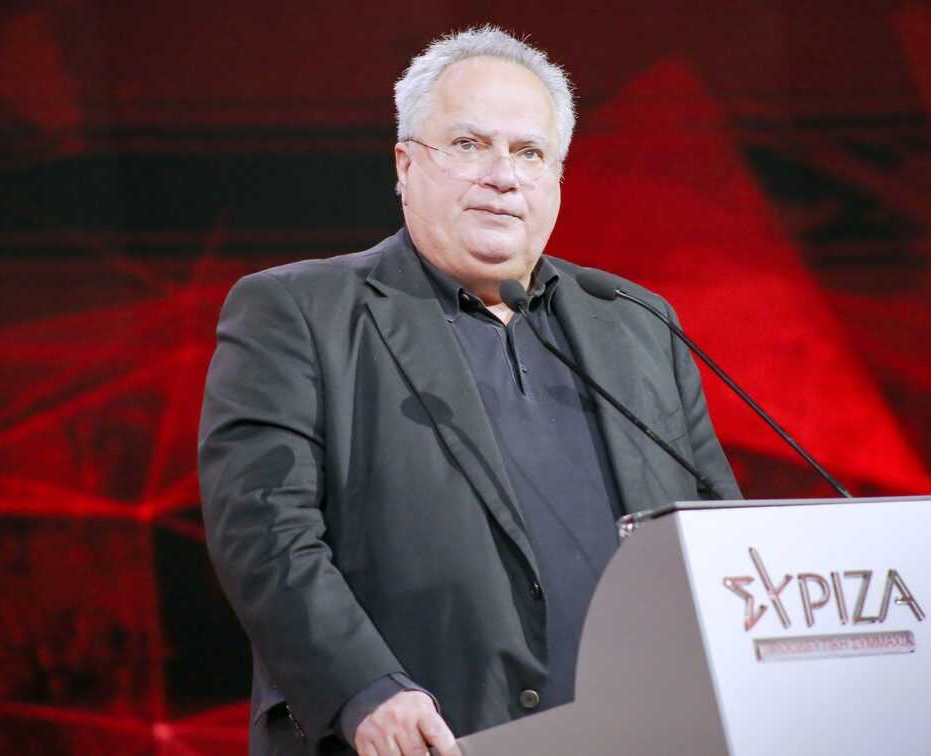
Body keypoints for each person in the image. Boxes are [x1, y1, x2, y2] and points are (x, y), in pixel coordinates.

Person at [198, 25, 740, 756]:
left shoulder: (635, 321)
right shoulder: (298, 312)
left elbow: (717, 530)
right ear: (405, 164)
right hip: (426, 740)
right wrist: (363, 689)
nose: (503, 176)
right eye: (468, 144)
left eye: (529, 152)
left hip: (647, 732)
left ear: (556, 176)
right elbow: (263, 530)